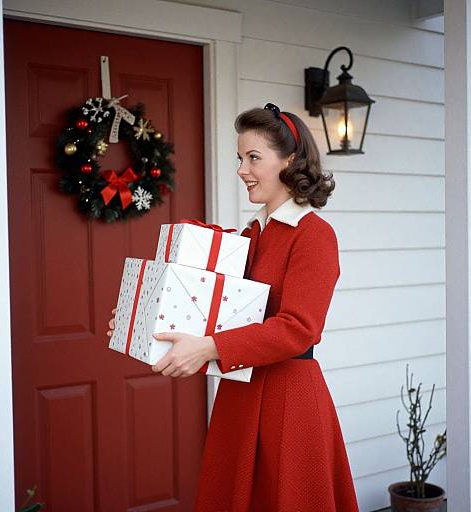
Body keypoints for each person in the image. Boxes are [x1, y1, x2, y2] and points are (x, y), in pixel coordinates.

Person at [107, 103, 359, 511]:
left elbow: (299, 328)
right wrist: (140, 318)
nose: (242, 169)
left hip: (288, 400)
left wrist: (209, 348)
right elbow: (208, 304)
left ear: (290, 160)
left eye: (253, 158)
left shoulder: (314, 235)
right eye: (240, 158)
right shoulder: (251, 234)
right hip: (241, 392)